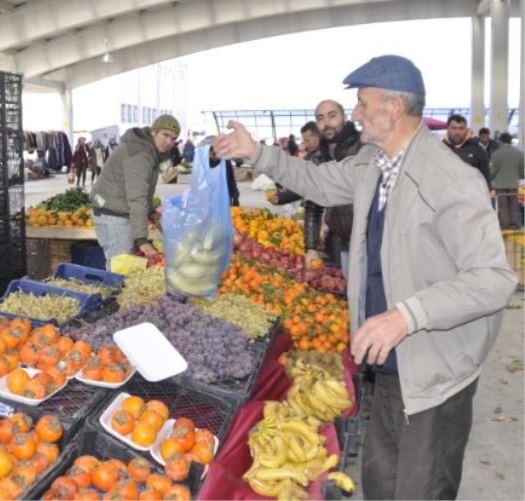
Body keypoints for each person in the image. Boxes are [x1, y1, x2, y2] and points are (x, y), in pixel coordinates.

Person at [214, 55, 516, 500]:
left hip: (434, 373)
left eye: (362, 103)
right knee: (379, 483)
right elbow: (315, 181)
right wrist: (257, 153)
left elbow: (493, 278)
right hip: (389, 367)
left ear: (394, 108)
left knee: (420, 489)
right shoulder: (373, 164)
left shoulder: (452, 179)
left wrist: (407, 316)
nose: (354, 113)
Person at [90, 115, 179, 269]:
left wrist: (151, 213)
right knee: (120, 268)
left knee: (124, 265)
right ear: (154, 132)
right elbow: (137, 198)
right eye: (165, 135)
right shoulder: (141, 154)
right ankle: (114, 292)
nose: (169, 142)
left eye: (173, 138)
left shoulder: (147, 150)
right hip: (112, 215)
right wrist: (142, 240)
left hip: (114, 210)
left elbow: (142, 190)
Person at [315, 99, 363, 272]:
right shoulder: (320, 156)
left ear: (343, 117)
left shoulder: (362, 147)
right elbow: (314, 201)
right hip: (343, 240)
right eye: (320, 118)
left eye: (332, 116)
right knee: (351, 292)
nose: (326, 123)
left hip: (370, 243)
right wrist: (311, 246)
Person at [270, 121, 326, 267]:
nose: (305, 144)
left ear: (317, 136)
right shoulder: (313, 155)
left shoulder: (320, 158)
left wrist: (282, 197)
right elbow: (302, 185)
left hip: (328, 217)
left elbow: (305, 189)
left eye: (307, 140)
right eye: (303, 140)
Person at [489, 132, 524, 229]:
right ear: (510, 141)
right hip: (513, 184)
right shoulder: (519, 154)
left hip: (500, 186)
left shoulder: (497, 154)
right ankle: (513, 225)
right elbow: (522, 172)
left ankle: (505, 226)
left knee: (503, 207)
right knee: (513, 206)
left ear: (500, 141)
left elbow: (492, 171)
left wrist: (489, 180)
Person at [444, 114, 490, 185]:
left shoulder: (477, 149)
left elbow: (486, 176)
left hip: (471, 194)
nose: (457, 132)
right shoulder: (440, 149)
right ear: (448, 129)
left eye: (461, 128)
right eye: (454, 128)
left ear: (466, 129)